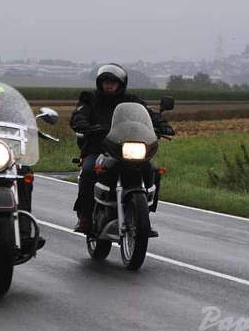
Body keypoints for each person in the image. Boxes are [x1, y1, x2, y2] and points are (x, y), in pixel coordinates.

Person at [70, 63, 174, 235]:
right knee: (89, 171)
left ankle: (143, 215)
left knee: (152, 170)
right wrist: (82, 123)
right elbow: (79, 114)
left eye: (113, 81)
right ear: (100, 83)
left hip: (125, 147)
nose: (109, 85)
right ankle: (85, 217)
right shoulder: (89, 99)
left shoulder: (131, 100)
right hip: (99, 148)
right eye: (106, 81)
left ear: (121, 84)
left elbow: (148, 113)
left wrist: (162, 124)